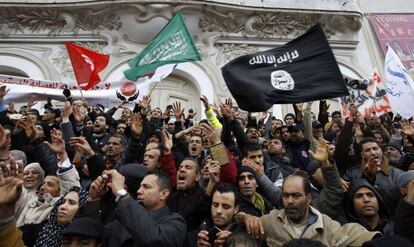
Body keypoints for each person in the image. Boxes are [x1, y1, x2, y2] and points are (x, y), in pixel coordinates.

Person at [95, 170, 186, 246]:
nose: (139, 191)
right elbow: (93, 235)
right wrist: (94, 199)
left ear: (163, 194)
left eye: (146, 187)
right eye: (139, 187)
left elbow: (154, 239)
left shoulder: (176, 223)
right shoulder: (122, 220)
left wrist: (121, 193)